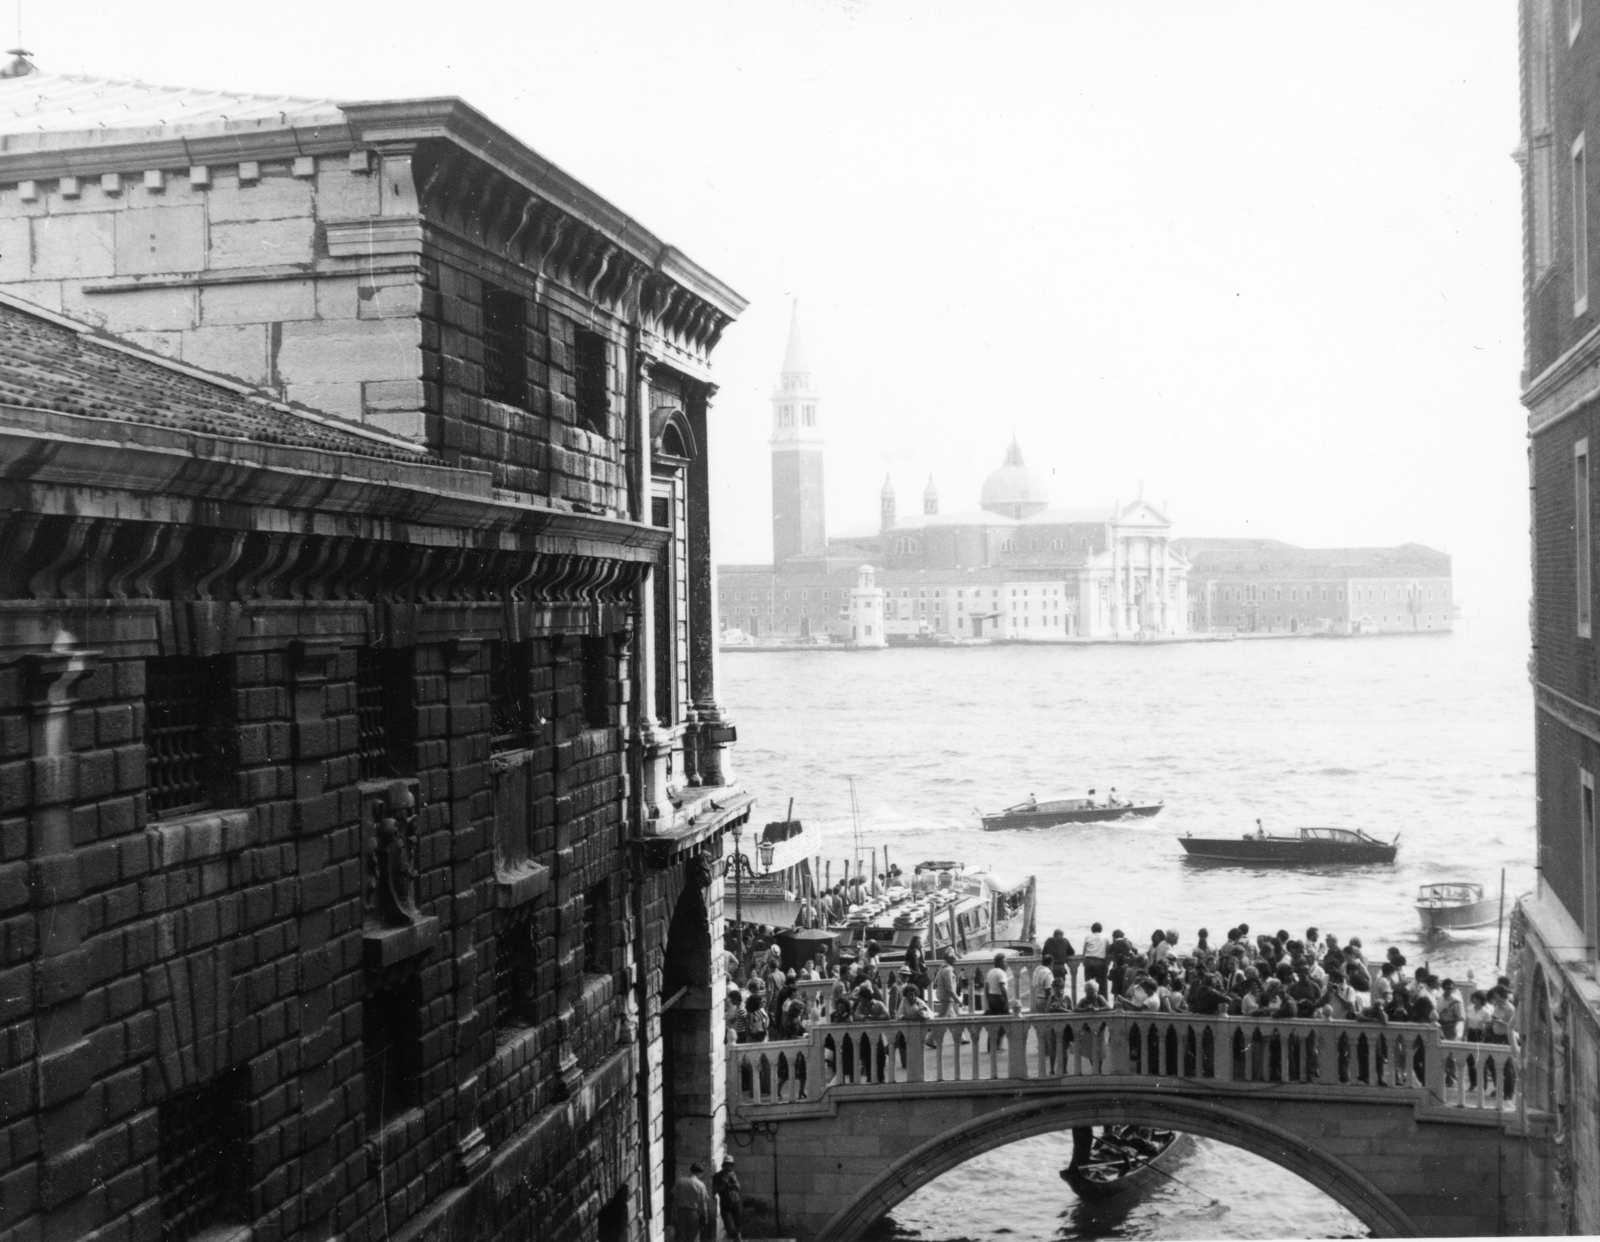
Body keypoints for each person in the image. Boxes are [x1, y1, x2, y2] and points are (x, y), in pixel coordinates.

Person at [672, 1163, 712, 1242]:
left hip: (681, 1211)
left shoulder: (680, 1182)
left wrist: (673, 1213)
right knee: (693, 1236)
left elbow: (675, 1199)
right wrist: (705, 1217)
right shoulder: (701, 1185)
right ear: (699, 1172)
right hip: (693, 1213)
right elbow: (703, 1203)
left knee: (681, 1235)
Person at [712, 1158, 743, 1242]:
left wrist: (734, 1181)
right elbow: (714, 1191)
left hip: (736, 1202)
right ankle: (738, 1240)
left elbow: (738, 1188)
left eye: (730, 1165)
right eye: (727, 1164)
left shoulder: (732, 1174)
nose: (729, 1167)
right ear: (723, 1165)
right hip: (725, 1204)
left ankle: (737, 1239)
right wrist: (723, 1183)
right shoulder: (718, 1176)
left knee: (738, 1225)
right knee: (730, 1226)